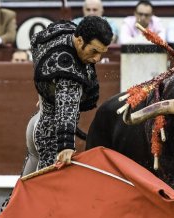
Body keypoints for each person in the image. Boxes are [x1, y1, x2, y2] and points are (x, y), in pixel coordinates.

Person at [24, 17, 112, 172]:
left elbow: (35, 40)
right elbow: (67, 104)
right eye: (94, 51)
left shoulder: (63, 30)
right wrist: (66, 145)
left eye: (102, 53)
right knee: (44, 192)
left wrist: (47, 90)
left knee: (24, 191)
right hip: (51, 136)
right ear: (79, 41)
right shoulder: (69, 67)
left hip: (37, 124)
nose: (97, 59)